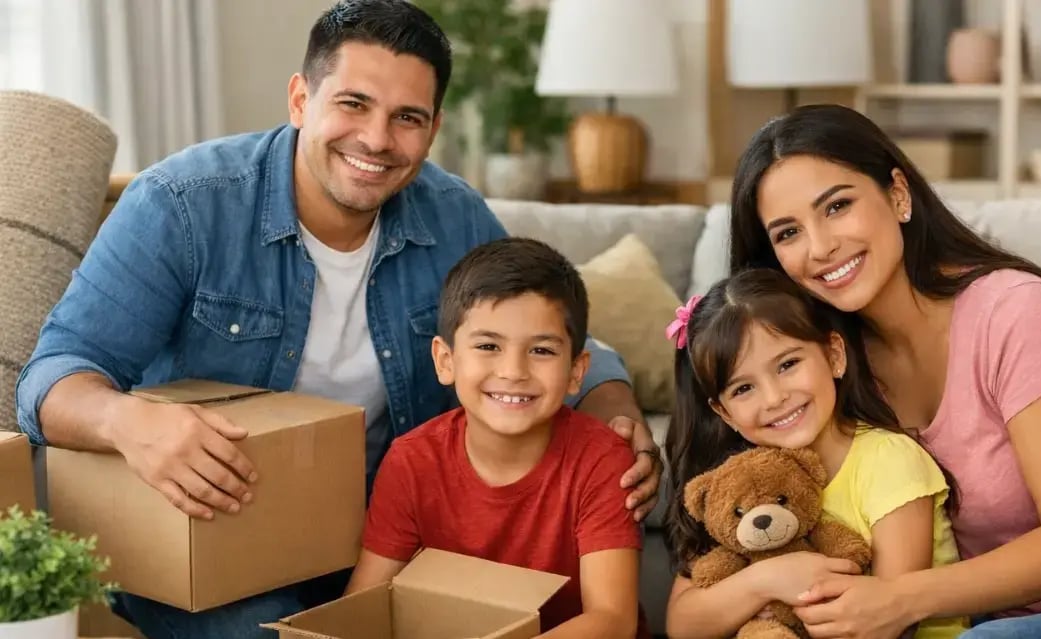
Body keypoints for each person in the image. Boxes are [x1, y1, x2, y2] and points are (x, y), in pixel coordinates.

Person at [14, 2, 660, 637]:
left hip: (378, 536)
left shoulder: (452, 216)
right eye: (353, 104)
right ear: (301, 99)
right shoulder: (180, 206)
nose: (377, 140)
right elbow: (50, 378)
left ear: (432, 129)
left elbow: (552, 332)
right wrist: (130, 421)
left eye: (407, 117)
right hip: (212, 546)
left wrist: (611, 407)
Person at [716, 103, 1041, 639]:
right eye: (788, 233)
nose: (820, 247)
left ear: (898, 195)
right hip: (996, 613)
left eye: (837, 206)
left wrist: (897, 600)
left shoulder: (1017, 311)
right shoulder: (826, 358)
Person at [347, 237, 646, 638]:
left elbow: (612, 620)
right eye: (488, 345)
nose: (513, 371)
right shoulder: (412, 460)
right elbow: (363, 606)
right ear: (445, 360)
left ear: (577, 371)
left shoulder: (601, 459)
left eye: (541, 351)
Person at [661, 267, 968, 639]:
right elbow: (682, 624)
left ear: (835, 355)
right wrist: (767, 580)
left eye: (788, 364)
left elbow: (890, 623)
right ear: (725, 414)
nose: (775, 398)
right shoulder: (739, 482)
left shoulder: (890, 460)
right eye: (743, 389)